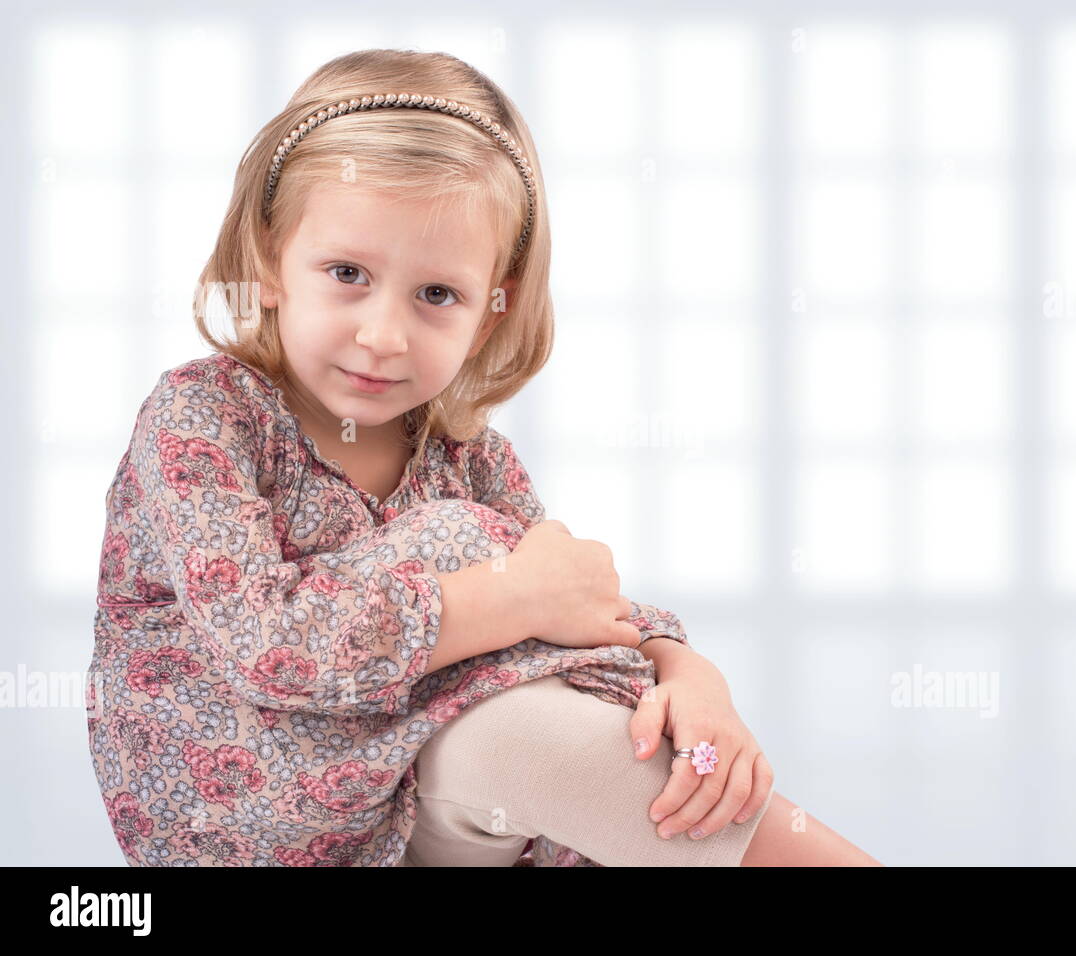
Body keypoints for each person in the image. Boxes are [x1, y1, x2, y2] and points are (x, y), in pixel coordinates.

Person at [86, 48, 883, 867]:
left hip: (417, 811)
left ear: (489, 317)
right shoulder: (204, 416)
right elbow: (270, 646)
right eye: (348, 273)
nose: (384, 336)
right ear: (269, 260)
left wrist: (687, 674)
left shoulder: (464, 453)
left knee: (544, 718)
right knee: (480, 586)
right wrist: (510, 596)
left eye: (437, 295)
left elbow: (579, 605)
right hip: (254, 832)